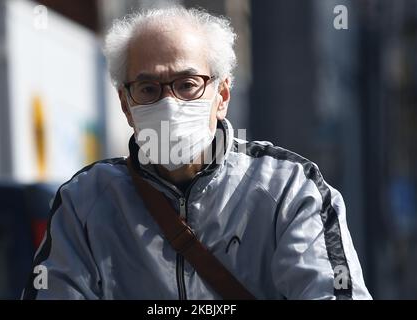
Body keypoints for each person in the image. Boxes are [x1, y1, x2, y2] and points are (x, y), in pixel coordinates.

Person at [22, 6, 371, 300]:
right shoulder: (85, 204)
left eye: (188, 85)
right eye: (148, 88)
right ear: (126, 105)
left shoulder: (289, 191)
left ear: (221, 96)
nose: (170, 104)